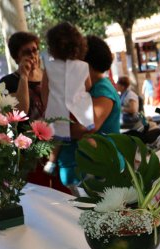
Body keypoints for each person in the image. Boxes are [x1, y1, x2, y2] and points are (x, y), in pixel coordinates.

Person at [0, 32, 70, 194]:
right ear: (16, 57)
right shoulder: (8, 82)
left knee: (65, 196)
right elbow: (20, 112)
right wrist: (24, 77)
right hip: (31, 153)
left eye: (35, 50)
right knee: (41, 196)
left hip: (58, 146)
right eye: (27, 52)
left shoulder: (49, 75)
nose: (33, 55)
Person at [56, 35, 121, 189]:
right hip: (84, 171)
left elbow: (87, 127)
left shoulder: (102, 89)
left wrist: (54, 130)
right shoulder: (92, 88)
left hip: (96, 171)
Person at [41, 22, 94, 176]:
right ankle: (93, 155)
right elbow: (88, 85)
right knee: (85, 135)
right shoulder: (83, 66)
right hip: (77, 111)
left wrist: (48, 106)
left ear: (52, 46)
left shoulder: (49, 67)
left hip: (57, 110)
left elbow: (44, 89)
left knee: (56, 140)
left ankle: (51, 162)